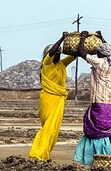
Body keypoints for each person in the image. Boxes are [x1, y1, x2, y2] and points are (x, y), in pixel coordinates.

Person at [73, 30, 111, 165]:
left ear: (100, 54)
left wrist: (83, 37)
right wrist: (101, 38)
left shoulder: (99, 63)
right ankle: (108, 157)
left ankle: (94, 158)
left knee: (96, 130)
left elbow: (81, 52)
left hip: (99, 100)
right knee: (106, 129)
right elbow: (109, 51)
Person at [29, 32, 76, 161]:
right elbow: (52, 51)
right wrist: (62, 38)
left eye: (59, 53)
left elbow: (74, 56)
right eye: (56, 53)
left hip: (59, 100)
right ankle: (36, 153)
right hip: (48, 99)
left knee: (54, 130)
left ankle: (44, 153)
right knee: (48, 127)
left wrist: (80, 39)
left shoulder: (61, 64)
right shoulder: (47, 64)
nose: (58, 55)